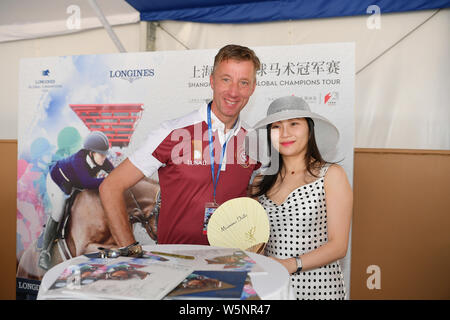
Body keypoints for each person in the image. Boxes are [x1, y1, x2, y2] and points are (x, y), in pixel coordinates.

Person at [100, 44, 261, 252]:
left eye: (243, 82)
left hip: (230, 264)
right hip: (176, 265)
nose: (233, 91)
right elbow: (111, 186)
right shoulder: (173, 132)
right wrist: (129, 250)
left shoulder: (254, 142)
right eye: (226, 79)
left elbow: (253, 198)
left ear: (253, 88)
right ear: (212, 81)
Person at [251, 96, 353, 300]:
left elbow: (339, 246)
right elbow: (255, 243)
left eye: (294, 124)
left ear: (309, 128)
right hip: (274, 290)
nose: (285, 133)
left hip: (320, 289)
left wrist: (291, 264)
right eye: (277, 126)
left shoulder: (331, 175)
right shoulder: (260, 182)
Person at [38, 131, 114, 270]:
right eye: (101, 154)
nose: (104, 158)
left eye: (105, 154)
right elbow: (87, 183)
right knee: (59, 210)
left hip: (73, 184)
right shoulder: (78, 160)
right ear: (91, 153)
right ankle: (45, 252)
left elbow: (113, 173)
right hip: (57, 181)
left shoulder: (101, 159)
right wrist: (109, 180)